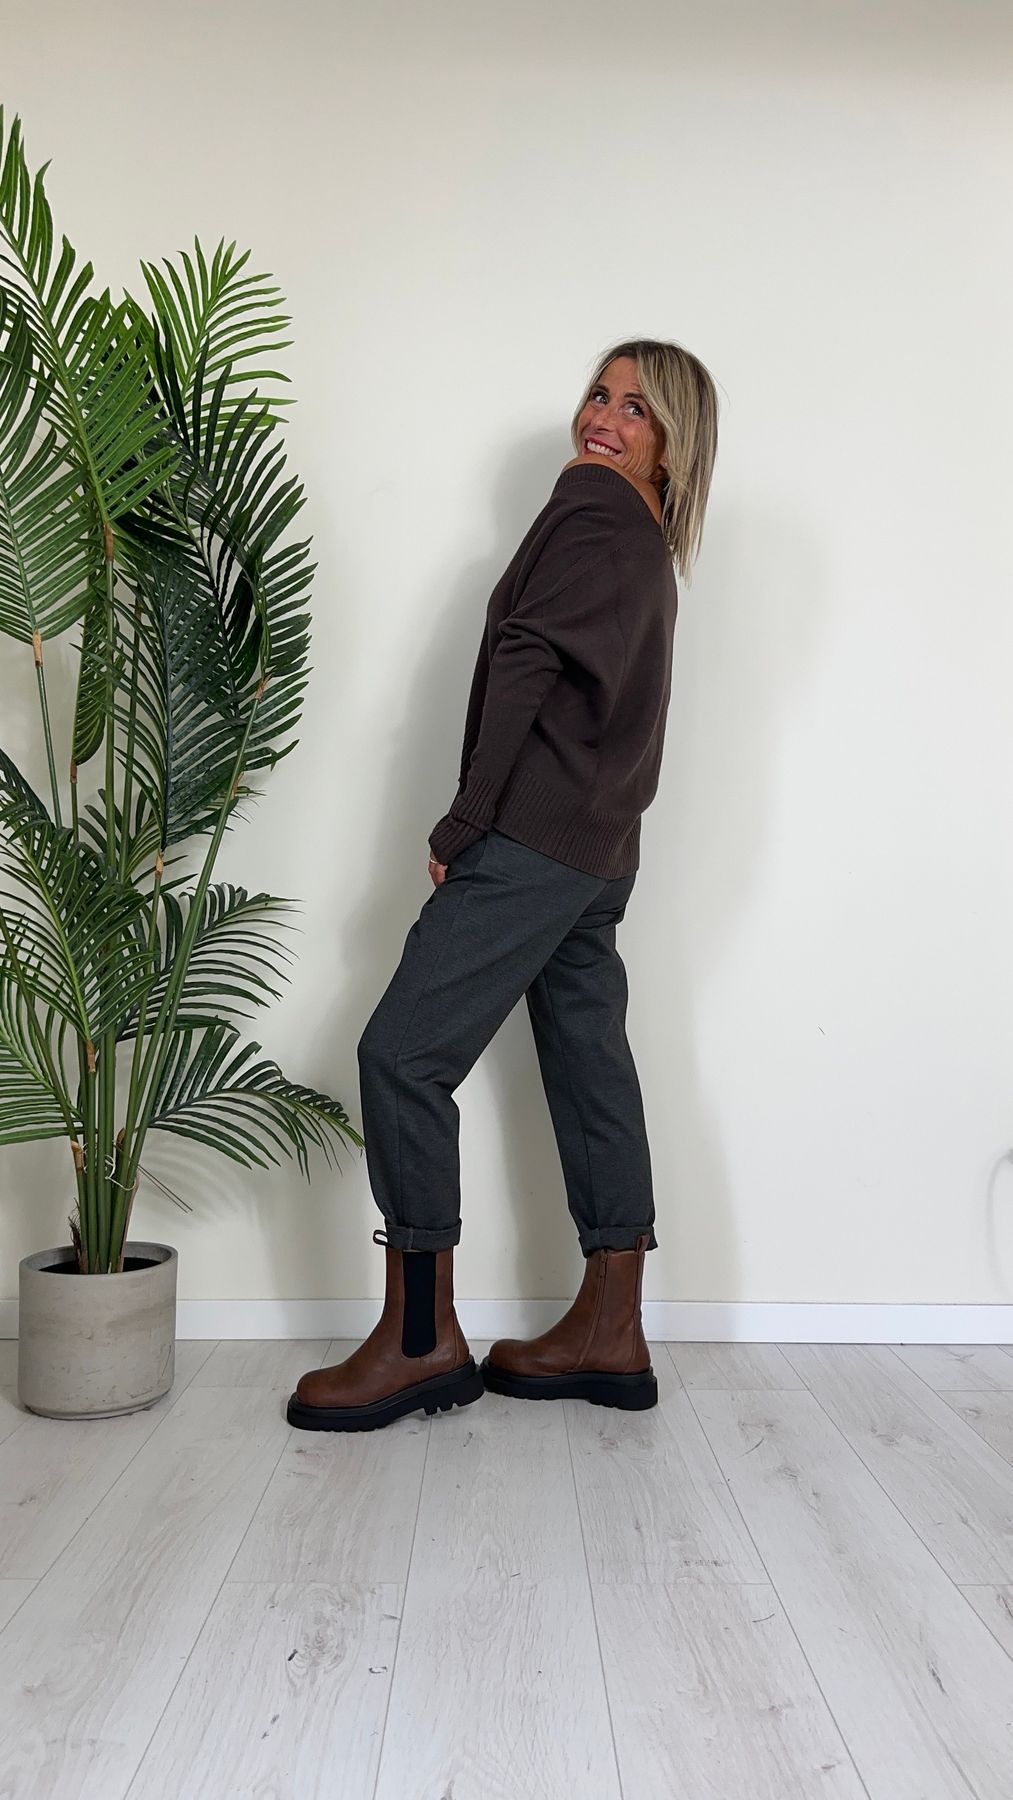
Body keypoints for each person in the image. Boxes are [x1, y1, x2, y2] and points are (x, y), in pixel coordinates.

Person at [288, 338, 719, 1433]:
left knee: (401, 1055)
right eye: (598, 395)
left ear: (673, 445)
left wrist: (465, 817)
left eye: (636, 409)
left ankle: (419, 1345)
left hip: (532, 839)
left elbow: (527, 658)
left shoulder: (590, 505)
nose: (602, 419)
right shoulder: (644, 540)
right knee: (586, 1064)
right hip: (600, 850)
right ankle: (610, 1331)